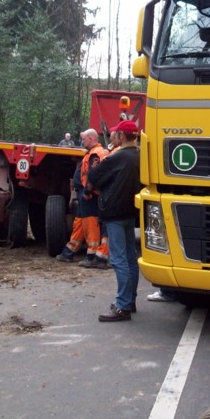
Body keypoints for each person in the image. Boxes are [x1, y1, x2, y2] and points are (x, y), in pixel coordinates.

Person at [87, 119, 141, 321]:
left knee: (118, 260)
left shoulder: (116, 158)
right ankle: (130, 300)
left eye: (115, 134)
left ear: (120, 137)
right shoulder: (138, 155)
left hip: (115, 213)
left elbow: (93, 176)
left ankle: (122, 306)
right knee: (129, 258)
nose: (112, 136)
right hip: (129, 212)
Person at [55, 129, 109, 267]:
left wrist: (87, 192)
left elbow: (93, 175)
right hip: (87, 193)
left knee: (90, 224)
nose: (81, 141)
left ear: (91, 139)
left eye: (84, 139)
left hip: (90, 194)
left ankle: (92, 256)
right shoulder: (94, 152)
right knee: (79, 222)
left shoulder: (96, 154)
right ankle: (69, 252)